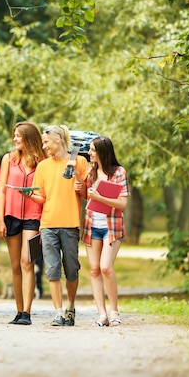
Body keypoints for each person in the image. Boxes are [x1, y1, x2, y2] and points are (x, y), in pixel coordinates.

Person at [29, 125, 88, 326]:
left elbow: (86, 194)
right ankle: (58, 312)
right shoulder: (43, 166)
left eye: (46, 142)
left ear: (59, 139)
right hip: (48, 225)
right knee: (52, 269)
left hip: (70, 224)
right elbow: (42, 197)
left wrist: (77, 176)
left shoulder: (79, 161)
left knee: (71, 270)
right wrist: (30, 194)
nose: (44, 146)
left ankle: (70, 307)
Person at [0, 121, 45, 325]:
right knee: (15, 265)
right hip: (11, 215)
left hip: (34, 216)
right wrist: (0, 219)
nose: (15, 139)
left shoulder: (43, 162)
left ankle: (27, 312)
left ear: (29, 138)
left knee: (28, 262)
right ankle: (18, 311)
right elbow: (1, 190)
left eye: (18, 136)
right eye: (14, 135)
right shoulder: (8, 159)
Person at [80, 136, 129, 327]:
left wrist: (100, 196)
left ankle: (114, 311)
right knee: (94, 269)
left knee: (106, 267)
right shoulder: (90, 171)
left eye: (92, 150)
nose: (89, 153)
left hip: (112, 226)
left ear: (102, 152)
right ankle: (102, 314)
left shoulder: (118, 172)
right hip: (92, 226)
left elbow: (122, 203)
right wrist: (80, 189)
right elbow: (87, 197)